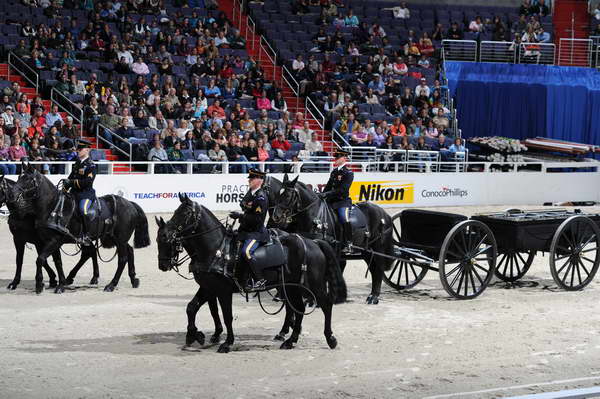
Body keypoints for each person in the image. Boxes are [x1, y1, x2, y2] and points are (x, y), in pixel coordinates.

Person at [229, 169, 269, 291]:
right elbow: (243, 203)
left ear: (260, 181)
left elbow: (257, 220)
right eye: (250, 178)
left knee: (246, 252)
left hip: (256, 232)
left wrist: (241, 215)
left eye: (252, 178)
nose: (249, 180)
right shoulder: (252, 192)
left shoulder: (261, 197)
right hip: (245, 229)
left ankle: (260, 279)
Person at [63, 142, 97, 246]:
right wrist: (64, 188)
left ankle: (87, 235)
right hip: (74, 193)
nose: (78, 151)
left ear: (87, 150)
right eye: (78, 149)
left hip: (85, 193)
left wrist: (72, 183)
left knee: (83, 210)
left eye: (81, 149)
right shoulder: (77, 163)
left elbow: (87, 182)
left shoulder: (91, 165)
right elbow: (71, 177)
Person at [320, 150, 354, 253]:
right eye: (336, 157)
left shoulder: (348, 173)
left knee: (343, 217)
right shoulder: (334, 172)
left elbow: (343, 190)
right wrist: (322, 194)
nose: (336, 159)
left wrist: (327, 194)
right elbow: (328, 186)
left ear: (344, 158)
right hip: (331, 201)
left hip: (342, 201)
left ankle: (349, 242)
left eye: (338, 157)